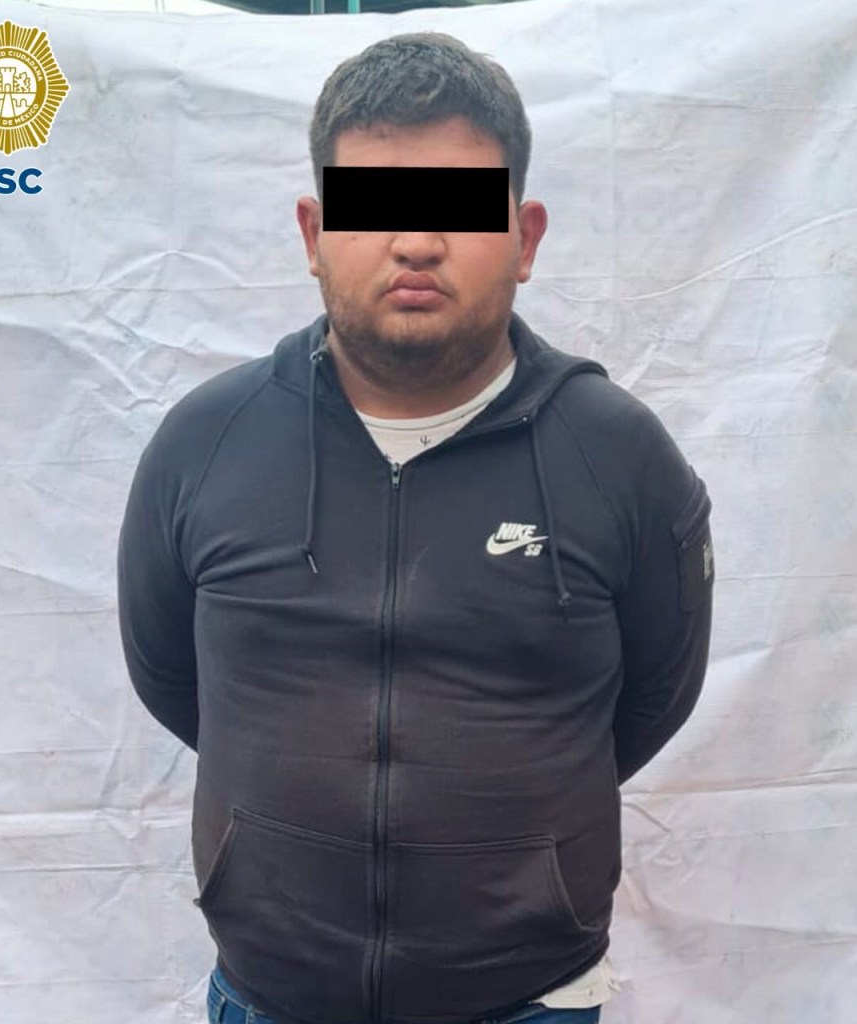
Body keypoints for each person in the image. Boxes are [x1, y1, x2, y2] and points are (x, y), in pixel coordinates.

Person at [116, 31, 714, 1024]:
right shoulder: (206, 443)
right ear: (313, 233)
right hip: (269, 997)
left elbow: (653, 693)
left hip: (530, 1001)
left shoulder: (617, 455)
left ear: (524, 237)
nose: (417, 242)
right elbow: (172, 679)